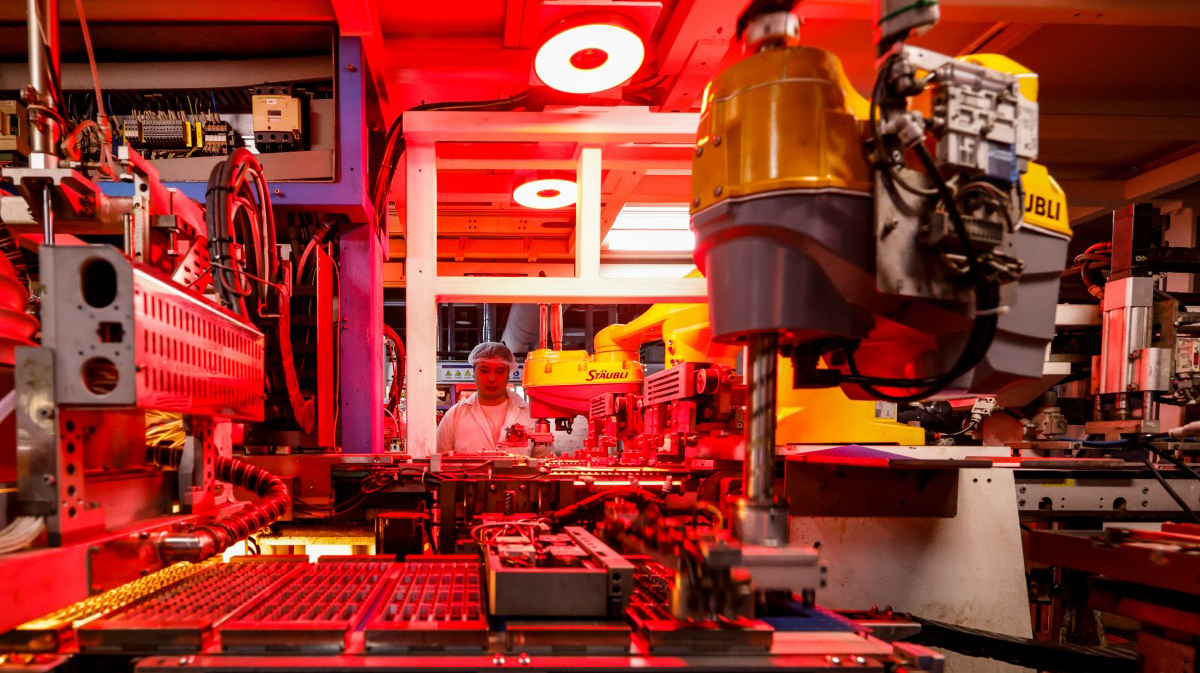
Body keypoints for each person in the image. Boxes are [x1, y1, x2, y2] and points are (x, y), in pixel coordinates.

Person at [435, 342, 548, 457]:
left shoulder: (531, 415)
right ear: (473, 374)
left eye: (500, 371)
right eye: (484, 371)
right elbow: (439, 460)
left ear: (508, 375)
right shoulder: (454, 416)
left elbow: (544, 459)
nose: (492, 378)